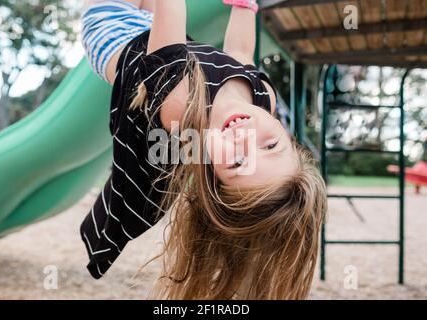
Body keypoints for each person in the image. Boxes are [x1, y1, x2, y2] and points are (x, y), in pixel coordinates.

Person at [80, 0, 327, 299]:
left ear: (210, 168)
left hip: (112, 30)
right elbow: (240, 53)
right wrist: (244, 5)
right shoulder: (264, 99)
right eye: (270, 145)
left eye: (237, 162)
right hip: (152, 25)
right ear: (288, 136)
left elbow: (170, 13)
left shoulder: (179, 108)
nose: (245, 138)